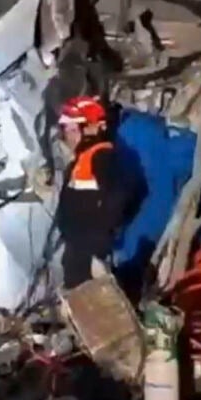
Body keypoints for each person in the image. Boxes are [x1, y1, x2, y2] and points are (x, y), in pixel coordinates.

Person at [54, 96, 124, 289]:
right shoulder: (81, 161)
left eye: (73, 129)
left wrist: (98, 239)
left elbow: (118, 198)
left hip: (88, 250)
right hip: (77, 247)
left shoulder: (101, 157)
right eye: (66, 130)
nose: (68, 136)